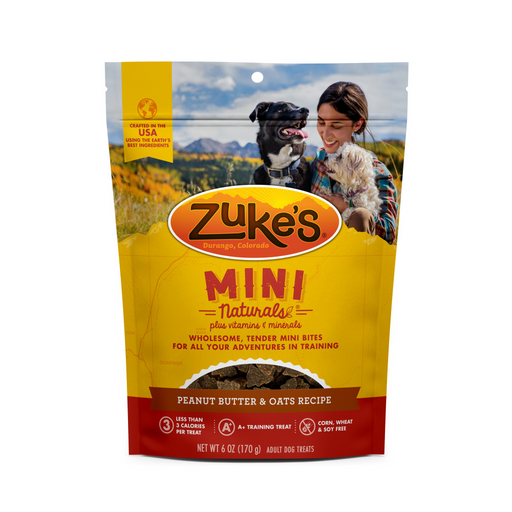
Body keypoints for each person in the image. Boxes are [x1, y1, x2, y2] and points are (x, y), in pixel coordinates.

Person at [310, 82, 398, 244]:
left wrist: (348, 208)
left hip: (352, 254)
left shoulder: (378, 174)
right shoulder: (318, 161)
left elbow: (389, 232)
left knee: (361, 215)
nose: (325, 134)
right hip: (315, 250)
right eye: (321, 122)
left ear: (357, 124)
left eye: (336, 125)